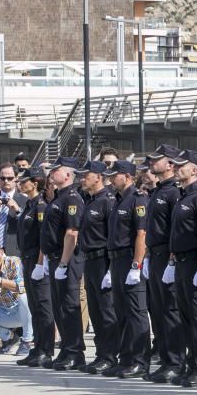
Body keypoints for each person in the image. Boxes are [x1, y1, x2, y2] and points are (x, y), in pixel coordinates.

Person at [166, 150, 197, 388]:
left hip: (196, 262)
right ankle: (193, 365)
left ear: (194, 170)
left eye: (181, 165)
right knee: (186, 318)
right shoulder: (182, 197)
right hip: (182, 263)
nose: (175, 168)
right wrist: (172, 261)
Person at [142, 144, 184, 384]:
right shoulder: (157, 191)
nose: (151, 163)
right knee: (158, 312)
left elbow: (174, 231)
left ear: (170, 164)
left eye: (157, 160)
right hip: (155, 256)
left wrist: (171, 261)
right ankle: (167, 359)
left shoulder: (173, 193)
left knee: (170, 312)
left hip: (168, 257)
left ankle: (176, 362)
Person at [104, 160, 150, 378]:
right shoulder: (118, 200)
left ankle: (140, 361)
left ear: (128, 176)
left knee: (136, 313)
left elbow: (142, 234)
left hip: (129, 260)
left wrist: (136, 265)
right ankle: (127, 358)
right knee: (121, 313)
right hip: (116, 261)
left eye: (116, 175)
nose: (112, 179)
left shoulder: (138, 199)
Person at [41, 157, 86, 371]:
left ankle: (76, 352)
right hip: (55, 257)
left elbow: (72, 233)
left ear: (67, 175)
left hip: (66, 258)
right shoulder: (58, 198)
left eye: (55, 170)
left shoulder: (72, 198)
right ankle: (67, 348)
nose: (51, 173)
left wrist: (63, 263)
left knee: (69, 306)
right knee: (59, 306)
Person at [75, 161, 118, 375]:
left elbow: (112, 236)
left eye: (86, 175)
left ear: (98, 177)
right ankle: (101, 353)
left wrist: (110, 268)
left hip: (103, 260)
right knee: (95, 311)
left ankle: (109, 356)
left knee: (106, 310)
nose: (82, 178)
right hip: (89, 260)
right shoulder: (89, 201)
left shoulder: (107, 202)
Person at [15, 166, 52, 366]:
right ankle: (38, 348)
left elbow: (42, 238)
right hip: (27, 259)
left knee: (43, 306)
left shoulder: (40, 206)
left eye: (24, 180)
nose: (20, 184)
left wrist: (40, 263)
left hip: (38, 261)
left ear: (35, 183)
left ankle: (46, 349)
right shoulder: (29, 205)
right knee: (34, 306)